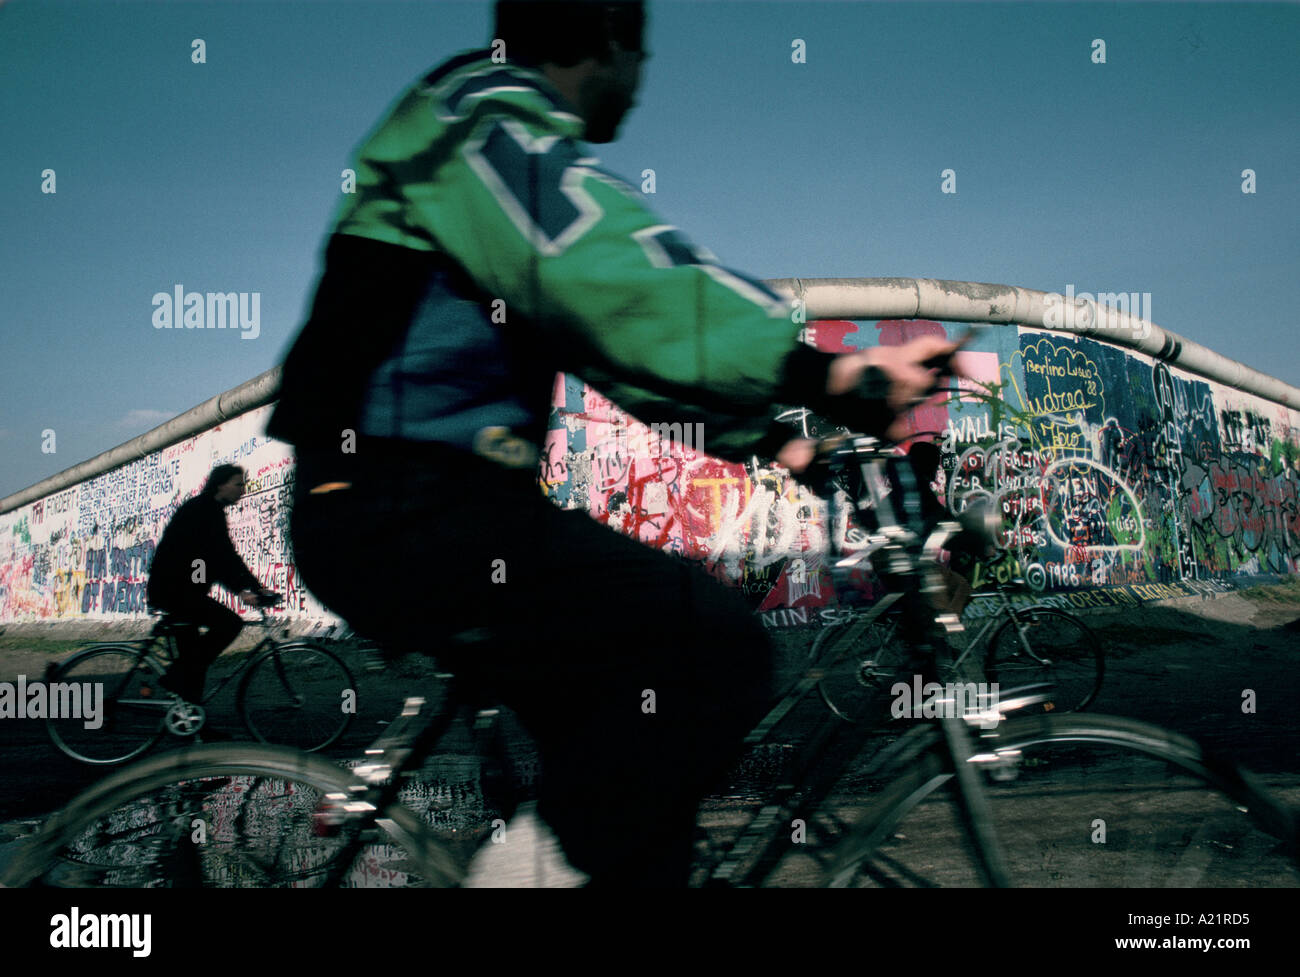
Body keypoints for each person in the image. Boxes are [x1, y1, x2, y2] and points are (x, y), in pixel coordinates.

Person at [267, 0, 963, 886]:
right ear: (606, 41)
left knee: (634, 782)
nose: (641, 90)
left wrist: (787, 446)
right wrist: (829, 374)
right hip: (397, 505)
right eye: (644, 56)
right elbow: (613, 275)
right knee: (708, 650)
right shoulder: (475, 119)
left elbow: (623, 354)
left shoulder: (480, 133)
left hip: (429, 505)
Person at [146, 464, 276, 703]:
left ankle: (194, 721)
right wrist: (243, 590)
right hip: (175, 592)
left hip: (179, 592)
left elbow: (223, 556)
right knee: (229, 624)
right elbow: (220, 556)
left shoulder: (208, 509)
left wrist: (253, 587)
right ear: (221, 485)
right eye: (238, 484)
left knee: (195, 659)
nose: (243, 490)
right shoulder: (204, 510)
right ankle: (176, 675)